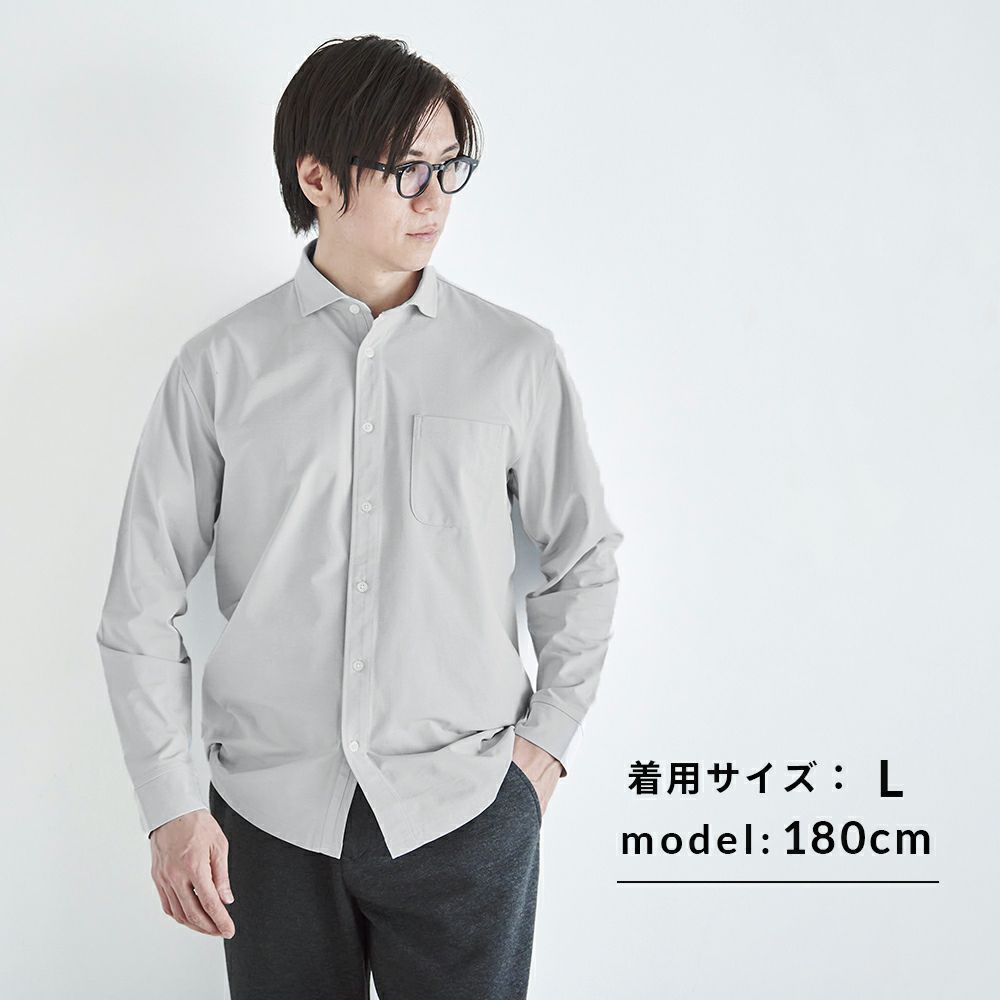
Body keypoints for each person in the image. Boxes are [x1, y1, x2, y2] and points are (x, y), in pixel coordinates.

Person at [96, 33, 623, 1000]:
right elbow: (139, 602)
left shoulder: (515, 359)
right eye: (407, 169)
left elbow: (583, 559)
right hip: (268, 820)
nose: (436, 198)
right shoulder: (220, 367)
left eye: (452, 166)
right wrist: (170, 805)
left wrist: (542, 752)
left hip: (464, 811)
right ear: (318, 178)